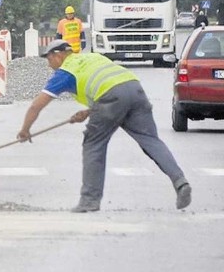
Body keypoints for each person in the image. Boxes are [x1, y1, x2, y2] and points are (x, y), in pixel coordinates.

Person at [17, 39, 192, 213]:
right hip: (135, 89)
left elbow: (36, 105)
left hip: (110, 97)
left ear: (58, 55)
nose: (50, 65)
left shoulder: (65, 72)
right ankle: (180, 181)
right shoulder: (92, 58)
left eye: (49, 60)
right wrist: (89, 111)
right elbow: (106, 85)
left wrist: (25, 130)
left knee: (93, 144)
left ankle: (89, 200)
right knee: (151, 140)